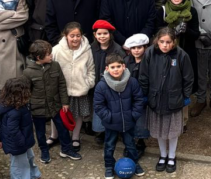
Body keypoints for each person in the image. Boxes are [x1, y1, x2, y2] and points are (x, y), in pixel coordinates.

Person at [139, 28, 193, 174]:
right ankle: (162, 155)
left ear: (174, 42)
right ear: (157, 40)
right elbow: (143, 75)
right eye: (162, 42)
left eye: (168, 42)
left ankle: (172, 156)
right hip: (155, 99)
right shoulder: (150, 52)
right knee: (160, 131)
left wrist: (186, 96)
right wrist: (144, 94)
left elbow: (188, 77)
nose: (165, 45)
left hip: (174, 100)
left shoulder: (181, 55)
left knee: (172, 131)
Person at [93, 53, 146, 179]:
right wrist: (110, 118)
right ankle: (109, 166)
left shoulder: (132, 82)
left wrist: (133, 115)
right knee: (109, 146)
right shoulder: (102, 85)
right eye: (112, 67)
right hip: (111, 123)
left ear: (124, 66)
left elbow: (139, 100)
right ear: (107, 69)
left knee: (130, 145)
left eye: (118, 66)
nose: (116, 69)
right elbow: (99, 106)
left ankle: (134, 163)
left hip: (128, 122)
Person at [23, 40, 72, 164]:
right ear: (39, 57)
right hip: (38, 108)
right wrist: (29, 108)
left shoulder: (55, 65)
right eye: (48, 54)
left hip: (55, 105)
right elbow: (26, 92)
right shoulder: (28, 72)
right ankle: (44, 150)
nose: (51, 56)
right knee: (40, 132)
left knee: (63, 127)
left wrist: (65, 102)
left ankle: (66, 149)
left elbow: (62, 84)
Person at [52, 22, 95, 151]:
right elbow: (51, 68)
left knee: (78, 114)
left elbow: (91, 69)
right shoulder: (57, 50)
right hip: (61, 90)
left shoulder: (87, 50)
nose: (75, 38)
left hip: (80, 89)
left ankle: (75, 137)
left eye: (78, 35)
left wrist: (88, 83)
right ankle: (55, 135)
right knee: (57, 113)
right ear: (65, 36)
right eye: (72, 36)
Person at [0, 76, 40, 179]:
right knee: (19, 166)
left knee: (29, 158)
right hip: (18, 144)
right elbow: (13, 130)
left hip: (23, 141)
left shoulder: (17, 106)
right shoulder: (14, 112)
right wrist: (22, 142)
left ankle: (34, 175)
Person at [161, 0, 199, 95]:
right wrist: (173, 32)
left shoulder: (192, 11)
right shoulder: (162, 11)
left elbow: (196, 34)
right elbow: (157, 32)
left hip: (187, 52)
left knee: (186, 82)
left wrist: (186, 30)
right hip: (167, 53)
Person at [121, 34, 151, 155]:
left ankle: (141, 141)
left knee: (141, 120)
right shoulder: (126, 61)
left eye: (139, 47)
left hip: (143, 96)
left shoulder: (149, 61)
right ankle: (130, 141)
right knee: (130, 119)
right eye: (133, 48)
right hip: (129, 96)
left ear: (145, 47)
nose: (136, 50)